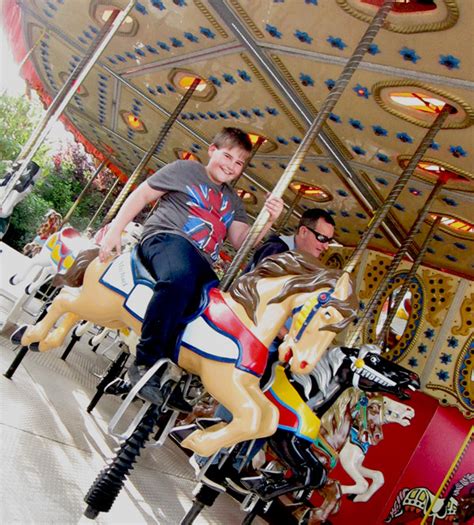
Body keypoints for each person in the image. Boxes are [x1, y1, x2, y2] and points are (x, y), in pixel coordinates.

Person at [98, 127, 284, 410]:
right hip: (166, 238)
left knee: (214, 307)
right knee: (178, 281)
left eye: (238, 163)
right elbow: (143, 195)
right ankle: (144, 362)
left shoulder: (233, 201)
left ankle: (168, 373)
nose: (231, 166)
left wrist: (268, 220)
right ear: (212, 150)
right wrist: (115, 229)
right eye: (227, 156)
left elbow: (242, 241)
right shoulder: (185, 170)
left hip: (202, 261)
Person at [189, 207, 336, 490]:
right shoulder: (277, 250)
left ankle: (235, 459)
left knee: (271, 403)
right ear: (303, 231)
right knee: (249, 389)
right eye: (321, 237)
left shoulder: (304, 265)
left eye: (328, 240)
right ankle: (211, 451)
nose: (324, 245)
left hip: (270, 340)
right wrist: (285, 335)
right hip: (246, 329)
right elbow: (258, 296)